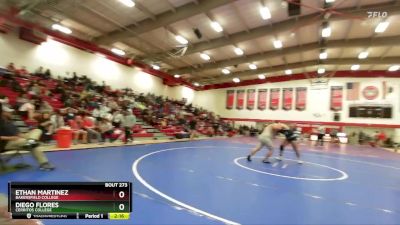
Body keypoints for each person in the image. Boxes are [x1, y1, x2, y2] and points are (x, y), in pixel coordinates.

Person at [0, 104, 54, 171]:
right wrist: (11, 138)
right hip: (7, 142)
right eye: (8, 112)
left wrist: (28, 136)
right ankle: (44, 163)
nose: (11, 113)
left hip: (18, 137)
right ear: (3, 112)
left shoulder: (7, 121)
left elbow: (18, 134)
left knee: (37, 130)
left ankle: (31, 141)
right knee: (34, 145)